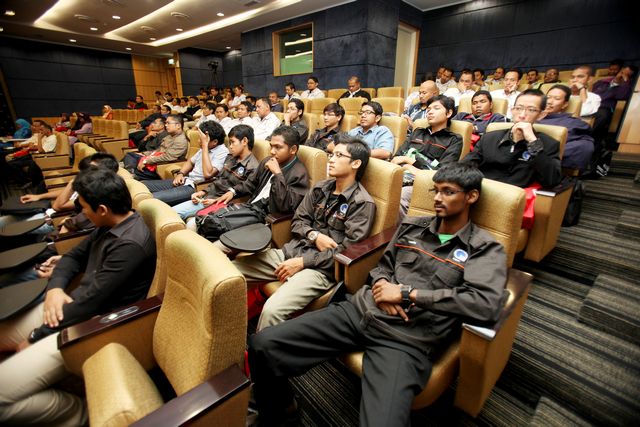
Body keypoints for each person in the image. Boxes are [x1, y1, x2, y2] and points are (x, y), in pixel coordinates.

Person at [248, 162, 508, 427]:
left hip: (404, 339)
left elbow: (484, 304)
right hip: (360, 311)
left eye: (448, 192)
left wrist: (407, 294)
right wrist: (383, 284)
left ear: (471, 196)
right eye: (436, 190)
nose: (438, 198)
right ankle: (282, 410)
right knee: (262, 345)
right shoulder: (412, 227)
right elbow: (382, 266)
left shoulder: (483, 248)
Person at [0, 168, 156, 427]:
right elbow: (73, 257)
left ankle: (79, 413)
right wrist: (55, 289)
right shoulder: (111, 223)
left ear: (102, 209)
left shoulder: (130, 245)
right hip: (70, 306)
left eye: (83, 207)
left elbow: (91, 303)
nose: (81, 212)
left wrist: (36, 336)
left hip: (90, 327)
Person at [234, 137, 375, 330]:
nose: (331, 159)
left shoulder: (362, 203)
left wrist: (302, 262)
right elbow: (298, 221)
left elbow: (346, 251)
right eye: (331, 154)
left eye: (339, 155)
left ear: (356, 163)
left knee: (272, 310)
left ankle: (260, 348)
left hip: (320, 269)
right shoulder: (320, 188)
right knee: (230, 272)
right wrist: (314, 236)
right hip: (293, 251)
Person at [207, 126, 309, 241]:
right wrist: (233, 191)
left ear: (293, 149)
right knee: (207, 224)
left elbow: (284, 206)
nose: (272, 151)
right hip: (250, 209)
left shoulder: (299, 174)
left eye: (278, 147)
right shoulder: (268, 160)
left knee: (218, 241)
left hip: (266, 221)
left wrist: (277, 174)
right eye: (271, 146)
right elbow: (250, 183)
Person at [462, 89, 562, 189]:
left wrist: (533, 142)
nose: (522, 115)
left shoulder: (548, 144)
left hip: (517, 195)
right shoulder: (489, 138)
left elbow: (552, 181)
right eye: (518, 108)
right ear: (512, 110)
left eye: (531, 110)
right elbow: (465, 167)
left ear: (541, 115)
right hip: (482, 190)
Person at [392, 95, 463, 218]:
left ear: (449, 113)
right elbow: (397, 157)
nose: (430, 112)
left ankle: (401, 231)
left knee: (400, 197)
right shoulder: (417, 132)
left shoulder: (453, 139)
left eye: (436, 108)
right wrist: (410, 164)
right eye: (429, 109)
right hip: (400, 175)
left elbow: (442, 171)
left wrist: (409, 161)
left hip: (425, 183)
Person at [174, 124, 260, 221]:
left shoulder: (253, 167)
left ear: (244, 141)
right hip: (208, 198)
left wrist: (215, 201)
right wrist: (203, 192)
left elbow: (242, 194)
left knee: (177, 215)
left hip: (222, 205)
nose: (230, 147)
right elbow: (218, 180)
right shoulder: (230, 158)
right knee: (171, 212)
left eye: (232, 142)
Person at [142, 121, 229, 206]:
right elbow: (190, 162)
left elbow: (208, 174)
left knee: (151, 198)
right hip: (186, 180)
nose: (199, 141)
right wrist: (181, 174)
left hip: (196, 187)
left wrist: (205, 146)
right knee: (143, 185)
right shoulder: (205, 148)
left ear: (215, 142)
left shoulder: (222, 152)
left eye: (201, 139)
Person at [539, 84, 595, 171]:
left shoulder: (572, 122)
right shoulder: (531, 114)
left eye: (556, 98)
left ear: (565, 104)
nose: (549, 101)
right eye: (548, 97)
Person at [123, 114, 189, 180]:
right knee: (130, 155)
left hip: (161, 166)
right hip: (155, 160)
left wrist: (146, 161)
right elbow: (158, 150)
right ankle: (131, 173)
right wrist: (145, 154)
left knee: (131, 170)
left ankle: (131, 174)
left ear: (178, 125)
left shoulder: (180, 140)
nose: (166, 125)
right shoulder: (169, 136)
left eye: (168, 123)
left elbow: (168, 157)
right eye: (166, 123)